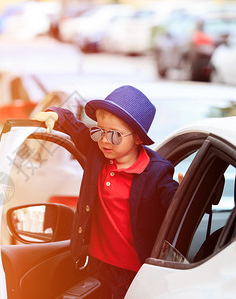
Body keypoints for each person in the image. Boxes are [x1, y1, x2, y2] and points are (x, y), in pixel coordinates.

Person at [32, 85, 180, 298]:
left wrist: (185, 192)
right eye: (100, 130)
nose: (104, 140)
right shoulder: (96, 153)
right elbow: (74, 126)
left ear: (138, 138)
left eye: (115, 135)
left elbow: (175, 205)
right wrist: (55, 114)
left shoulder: (157, 170)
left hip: (135, 273)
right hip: (95, 265)